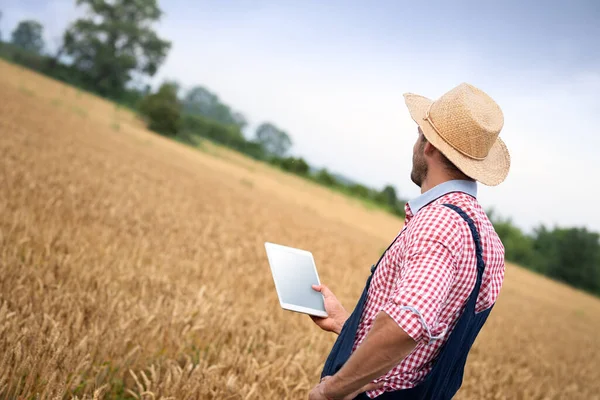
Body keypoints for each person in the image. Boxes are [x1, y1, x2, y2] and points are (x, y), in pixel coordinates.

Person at [308, 82, 510, 400]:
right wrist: (346, 323)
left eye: (419, 133)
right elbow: (428, 343)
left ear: (427, 144)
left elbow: (407, 326)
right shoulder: (488, 239)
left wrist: (331, 391)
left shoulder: (439, 224)